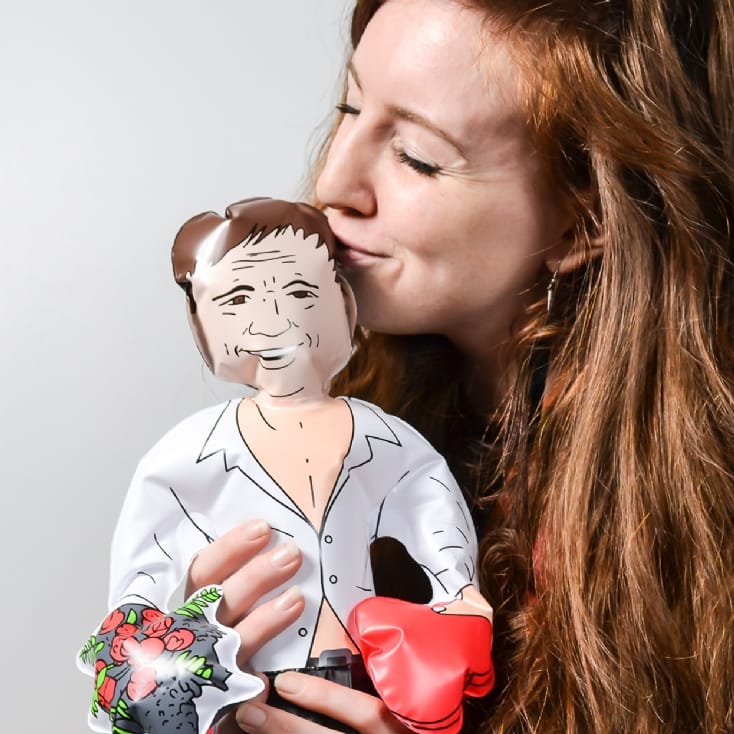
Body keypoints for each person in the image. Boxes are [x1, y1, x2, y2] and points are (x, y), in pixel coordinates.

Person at [185, 1, 734, 732]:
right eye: (350, 107)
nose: (335, 183)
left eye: (416, 156)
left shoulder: (689, 515)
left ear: (585, 220)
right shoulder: (346, 418)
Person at [80, 198, 493, 734]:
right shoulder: (189, 453)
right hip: (251, 682)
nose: (274, 319)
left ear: (343, 301)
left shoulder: (381, 437)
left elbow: (428, 498)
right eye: (238, 298)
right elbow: (142, 568)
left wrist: (457, 594)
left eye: (300, 292)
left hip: (364, 680)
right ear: (199, 320)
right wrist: (154, 647)